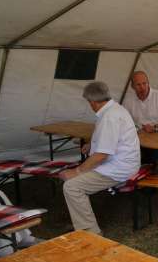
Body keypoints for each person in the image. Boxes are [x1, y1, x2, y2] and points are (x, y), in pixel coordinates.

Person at [60, 82, 140, 234]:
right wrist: (92, 144)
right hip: (121, 163)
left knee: (72, 186)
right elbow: (109, 138)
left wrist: (76, 171)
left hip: (118, 168)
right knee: (73, 182)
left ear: (92, 102)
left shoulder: (109, 116)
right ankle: (82, 222)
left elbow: (102, 155)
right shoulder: (115, 109)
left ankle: (91, 232)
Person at [123, 71, 158, 165]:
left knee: (152, 157)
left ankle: (152, 172)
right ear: (132, 86)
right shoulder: (128, 100)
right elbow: (124, 121)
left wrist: (155, 127)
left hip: (157, 135)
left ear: (148, 83)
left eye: (144, 83)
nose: (142, 87)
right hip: (138, 136)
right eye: (138, 84)